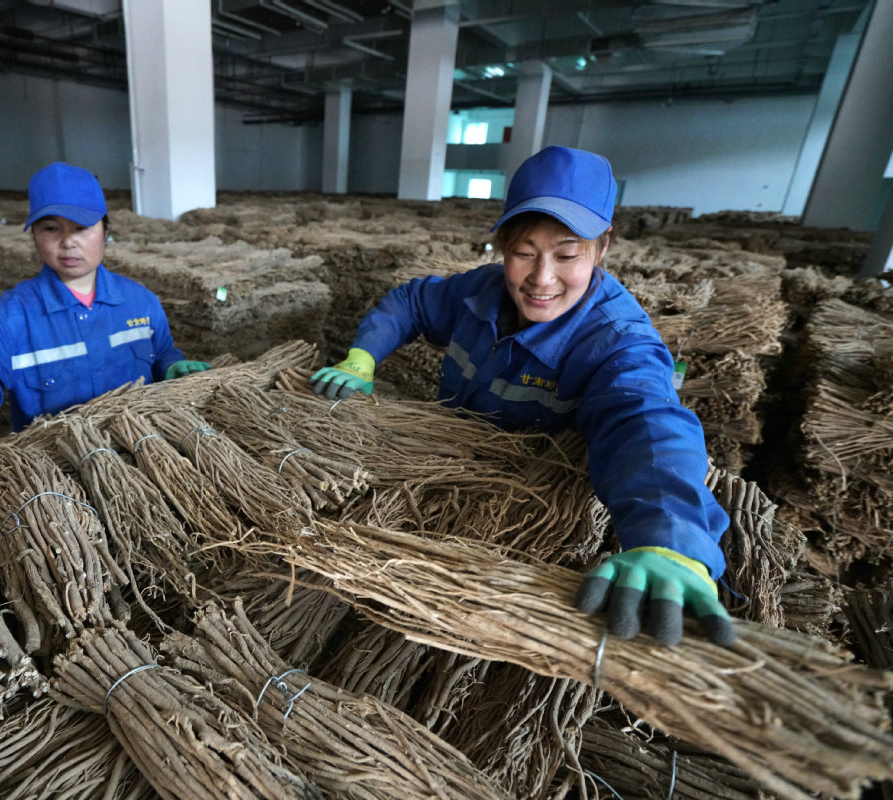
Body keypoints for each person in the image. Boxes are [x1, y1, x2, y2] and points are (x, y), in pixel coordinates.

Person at [310, 145, 734, 648]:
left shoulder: (617, 340)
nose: (542, 278)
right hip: (438, 477)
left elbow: (645, 423)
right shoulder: (480, 292)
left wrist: (670, 543)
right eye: (524, 253)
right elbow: (409, 302)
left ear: (602, 248)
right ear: (503, 247)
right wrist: (362, 357)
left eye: (568, 254)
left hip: (527, 520)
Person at [0, 161, 210, 435]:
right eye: (51, 228)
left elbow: (162, 353)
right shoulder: (8, 319)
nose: (68, 242)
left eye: (82, 228)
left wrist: (172, 367)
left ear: (106, 231)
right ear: (34, 237)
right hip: (54, 477)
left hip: (145, 454)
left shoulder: (142, 303)